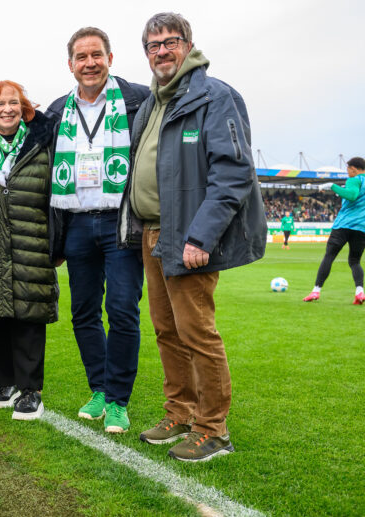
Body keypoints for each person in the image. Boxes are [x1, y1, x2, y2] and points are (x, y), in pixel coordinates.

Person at [118, 12, 266, 461]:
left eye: (171, 41)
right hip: (152, 233)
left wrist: (200, 237)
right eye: (153, 45)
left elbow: (233, 173)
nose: (162, 51)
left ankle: (213, 429)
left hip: (188, 236)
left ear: (187, 44)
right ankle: (180, 412)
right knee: (167, 331)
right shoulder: (153, 102)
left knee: (197, 332)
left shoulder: (214, 96)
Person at [45, 27, 149, 434]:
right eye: (81, 57)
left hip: (120, 220)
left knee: (122, 310)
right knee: (84, 312)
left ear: (110, 58)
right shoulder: (58, 110)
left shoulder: (138, 99)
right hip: (75, 221)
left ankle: (119, 400)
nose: (89, 63)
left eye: (96, 55)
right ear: (70, 64)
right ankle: (100, 389)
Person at [0, 81, 58, 421]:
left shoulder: (43, 142)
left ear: (24, 108)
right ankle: (4, 382)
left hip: (32, 238)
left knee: (29, 314)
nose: (7, 109)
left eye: (14, 103)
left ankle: (30, 390)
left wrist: (57, 240)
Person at [303, 157, 365, 304]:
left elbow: (352, 195)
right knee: (355, 261)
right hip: (362, 228)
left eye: (348, 169)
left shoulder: (354, 179)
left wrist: (332, 186)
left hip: (343, 225)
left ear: (353, 169)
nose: (347, 172)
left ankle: (316, 291)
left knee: (329, 256)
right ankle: (360, 292)